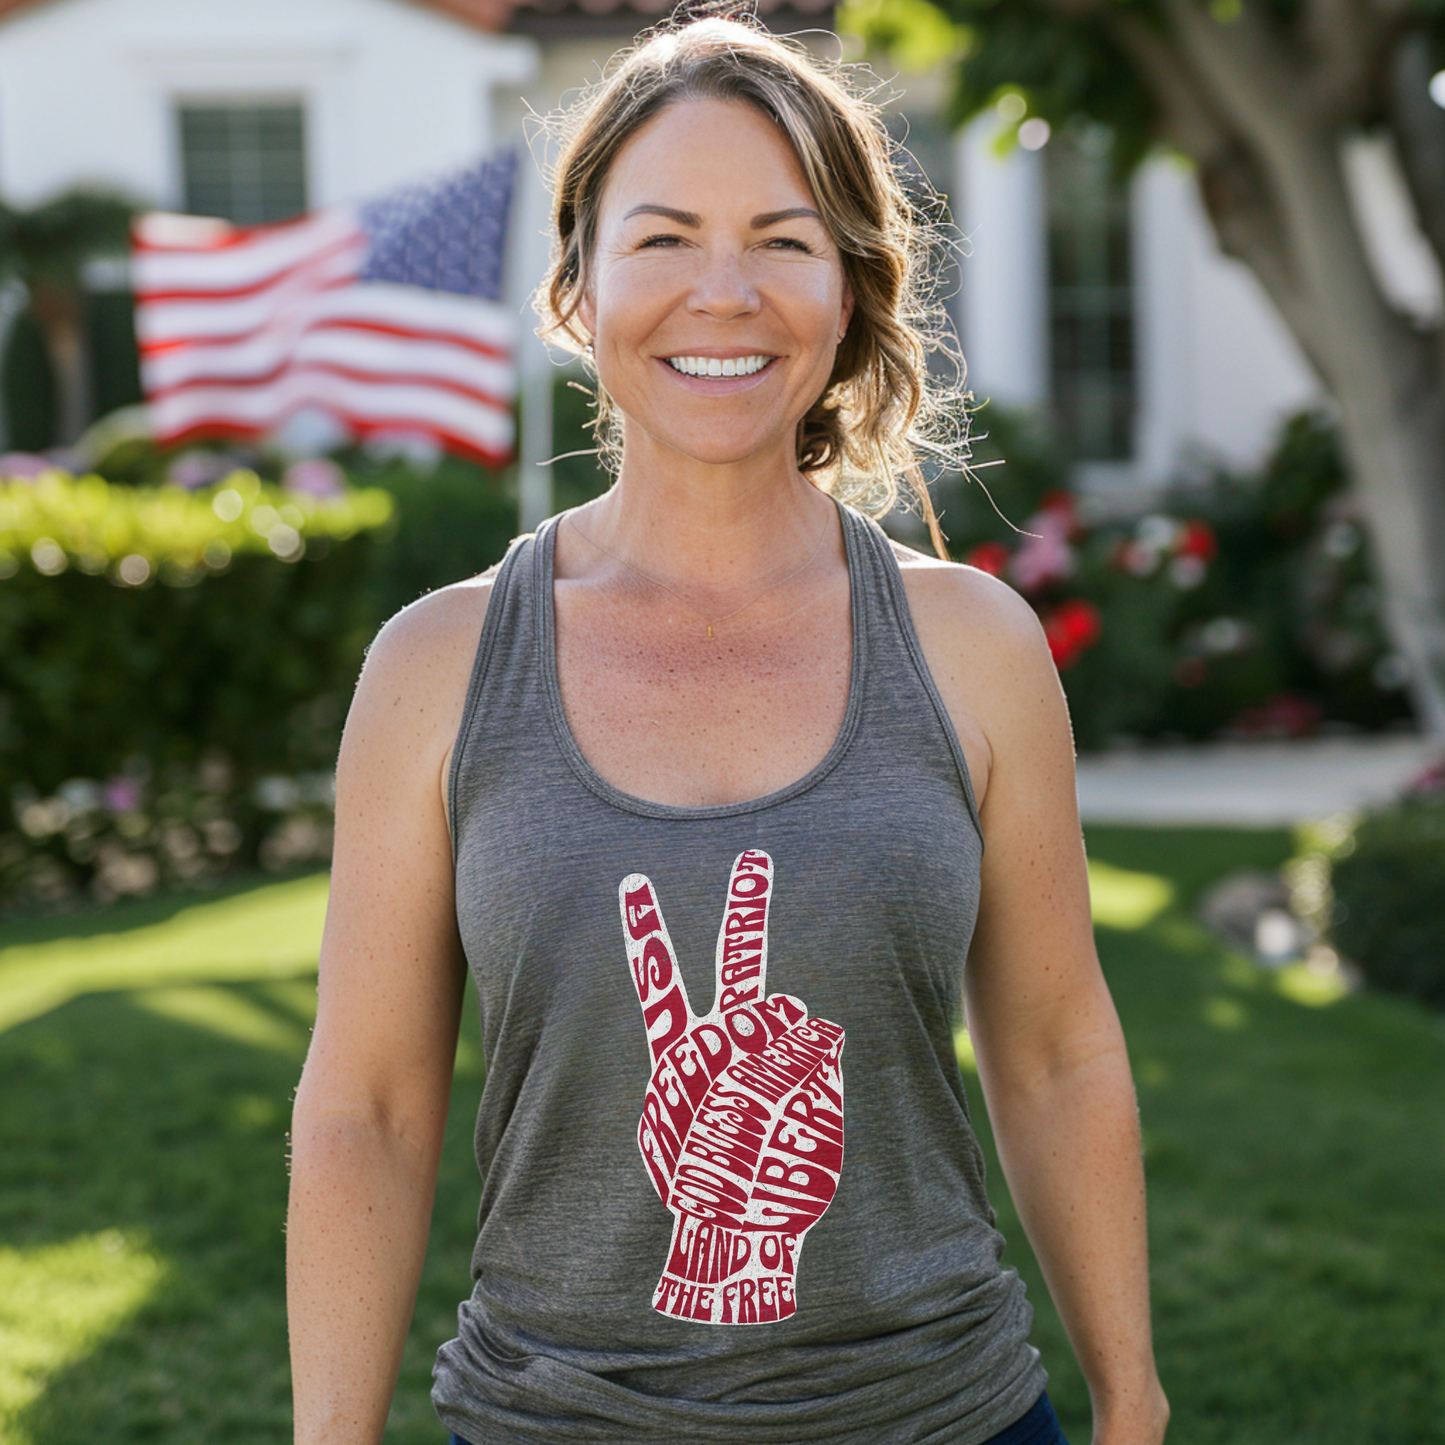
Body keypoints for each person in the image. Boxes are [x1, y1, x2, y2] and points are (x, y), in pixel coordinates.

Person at [285, 11, 1171, 1445]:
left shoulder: (976, 651)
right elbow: (367, 1108)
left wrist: (1131, 1402)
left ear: (847, 290)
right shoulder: (440, 665)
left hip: (944, 1415)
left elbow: (1059, 1051)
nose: (724, 291)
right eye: (662, 238)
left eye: (781, 237)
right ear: (576, 287)